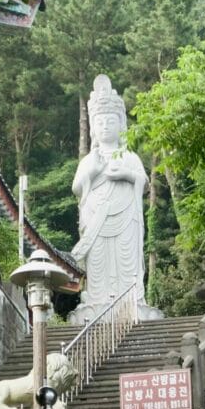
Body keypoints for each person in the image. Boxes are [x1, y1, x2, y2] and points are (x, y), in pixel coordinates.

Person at [71, 75, 149, 315]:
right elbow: (76, 187)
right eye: (100, 122)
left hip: (126, 219)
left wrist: (126, 174)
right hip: (97, 221)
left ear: (121, 125)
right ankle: (97, 300)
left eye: (110, 122)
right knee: (99, 262)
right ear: (93, 127)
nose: (105, 126)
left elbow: (144, 182)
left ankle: (132, 301)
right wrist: (92, 173)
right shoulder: (89, 160)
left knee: (127, 261)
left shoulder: (130, 157)